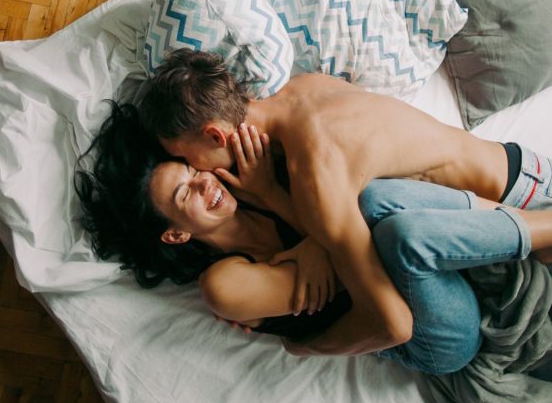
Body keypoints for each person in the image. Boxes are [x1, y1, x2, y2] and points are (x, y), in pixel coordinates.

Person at [76, 101, 552, 375]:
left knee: (375, 202)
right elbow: (366, 281)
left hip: (439, 274)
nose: (205, 183)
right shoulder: (224, 284)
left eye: (191, 171)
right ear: (177, 234)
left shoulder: (258, 188)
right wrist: (321, 241)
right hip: (435, 337)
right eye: (185, 194)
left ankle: (527, 226)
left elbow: (343, 228)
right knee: (393, 228)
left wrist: (287, 210)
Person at [137, 49, 552, 358]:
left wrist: (301, 347)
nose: (201, 173)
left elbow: (391, 323)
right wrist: (306, 230)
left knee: (379, 209)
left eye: (188, 160)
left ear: (215, 135)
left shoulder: (314, 177)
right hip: (523, 169)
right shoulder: (306, 86)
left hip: (514, 207)